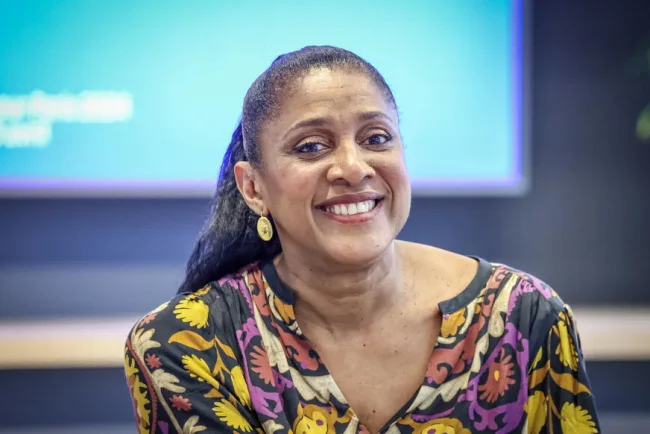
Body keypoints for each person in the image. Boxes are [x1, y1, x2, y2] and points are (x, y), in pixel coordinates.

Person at [124, 46, 600, 434]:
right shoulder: (186, 346)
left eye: (376, 138)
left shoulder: (523, 316)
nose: (353, 168)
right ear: (253, 188)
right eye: (311, 146)